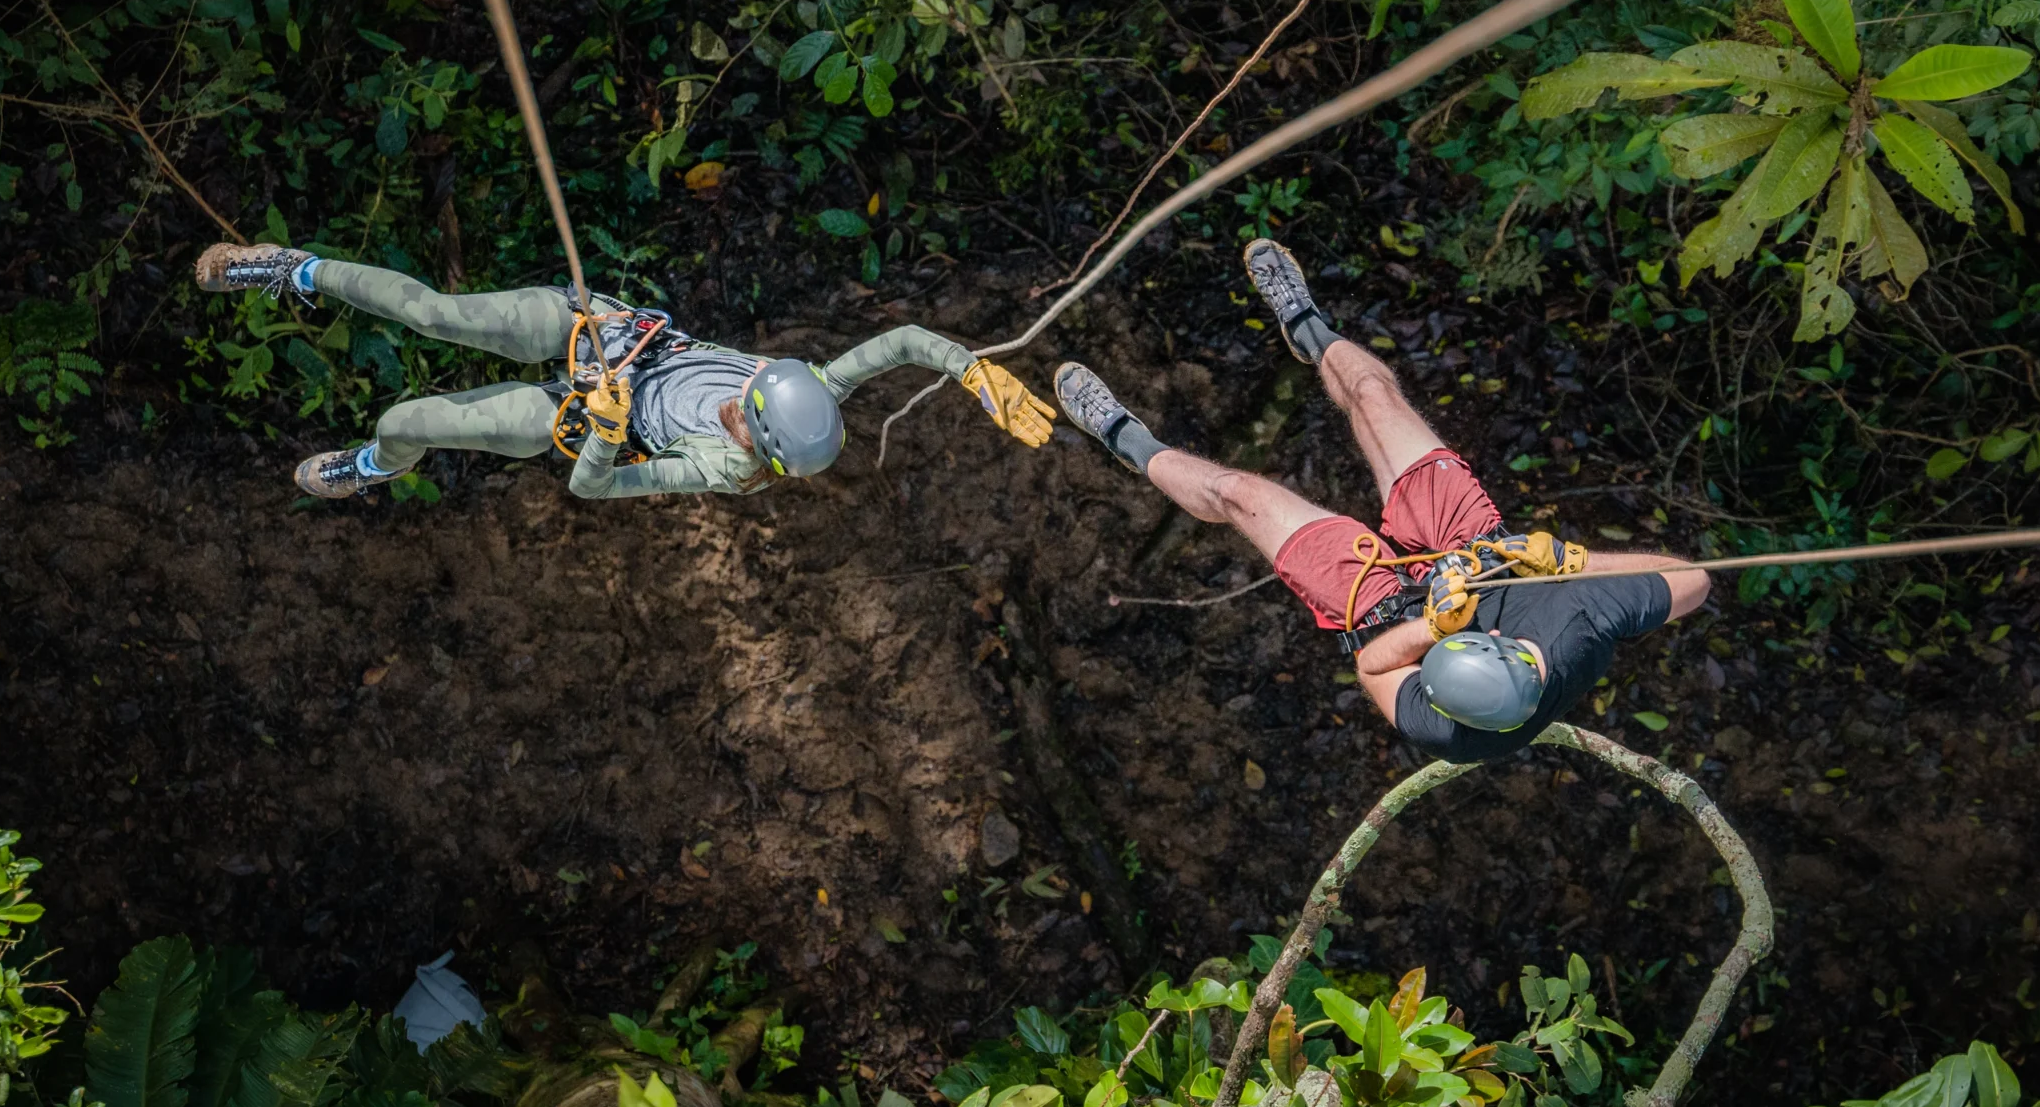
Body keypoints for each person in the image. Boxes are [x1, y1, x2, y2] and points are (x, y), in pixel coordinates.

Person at [1051, 240, 1708, 762]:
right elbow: (1693, 582)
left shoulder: (1451, 733)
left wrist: (1435, 629)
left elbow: (1373, 664)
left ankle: (1128, 441)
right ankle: (1309, 330)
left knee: (1239, 493)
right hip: (1483, 554)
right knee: (1374, 397)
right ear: (1522, 655)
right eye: (1509, 641)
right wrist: (1567, 560)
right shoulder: (1580, 630)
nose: (1505, 632)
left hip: (1384, 612)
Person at [193, 244, 1055, 499]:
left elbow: (592, 492)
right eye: (748, 400)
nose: (734, 414)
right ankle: (295, 269)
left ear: (763, 451)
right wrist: (974, 374)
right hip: (602, 336)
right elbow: (903, 338)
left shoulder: (725, 469)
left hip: (580, 422)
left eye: (745, 424)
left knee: (409, 422)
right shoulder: (812, 387)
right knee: (436, 313)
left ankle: (375, 465)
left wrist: (606, 433)